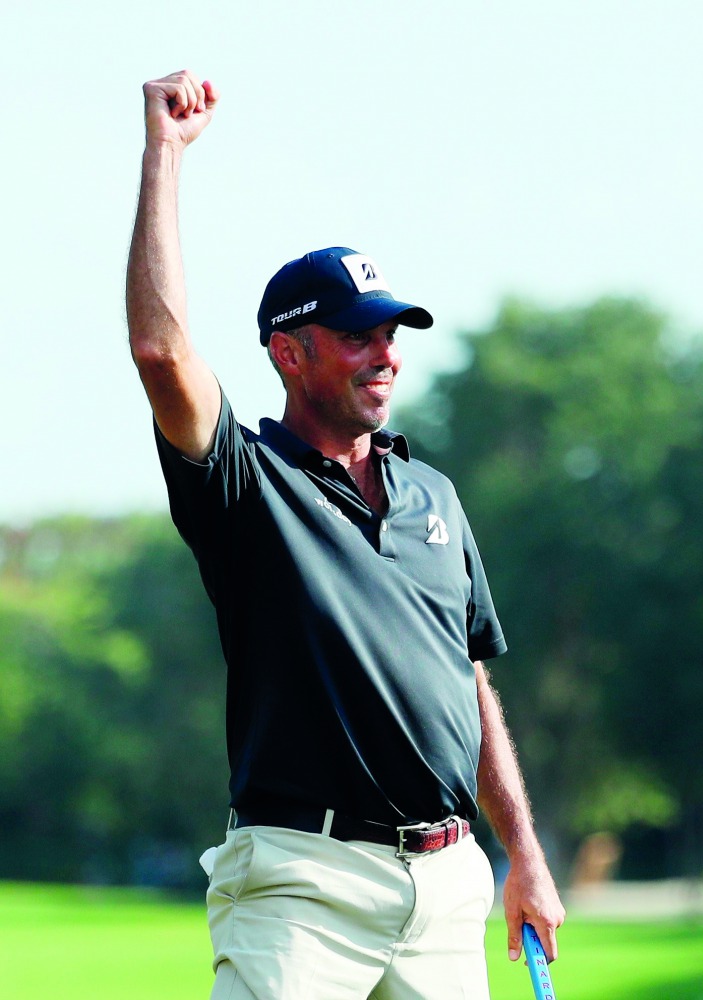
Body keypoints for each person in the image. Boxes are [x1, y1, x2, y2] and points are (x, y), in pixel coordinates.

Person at [126, 69, 565, 1000]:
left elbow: (467, 675)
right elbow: (163, 353)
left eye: (392, 332)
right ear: (292, 353)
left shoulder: (434, 496)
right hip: (301, 886)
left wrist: (522, 851)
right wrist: (163, 152)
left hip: (448, 889)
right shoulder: (247, 482)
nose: (387, 351)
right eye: (359, 334)